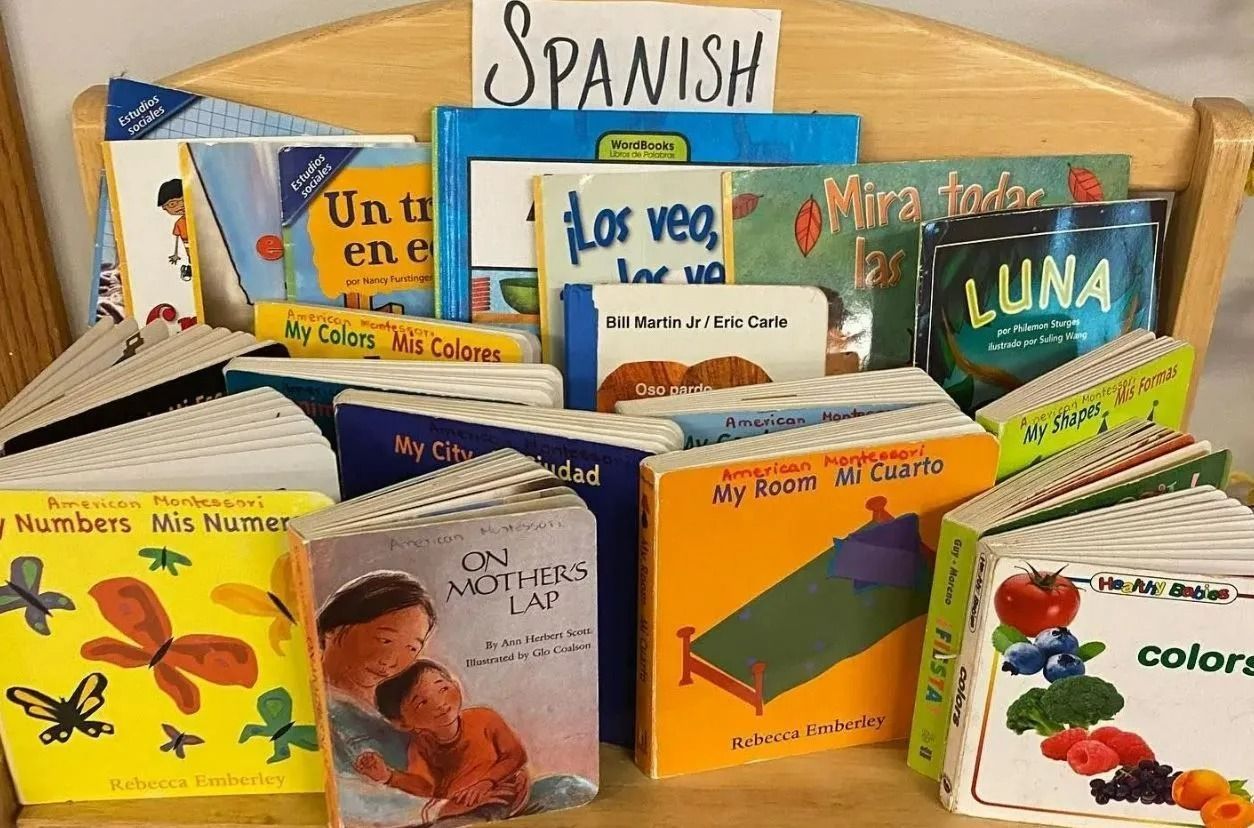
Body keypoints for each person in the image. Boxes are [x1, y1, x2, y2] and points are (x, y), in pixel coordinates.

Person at [354, 661, 529, 821]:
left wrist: (486, 782)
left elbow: (515, 755)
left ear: (455, 685)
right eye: (422, 703)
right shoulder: (420, 746)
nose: (439, 703)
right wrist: (388, 776)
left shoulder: (484, 718)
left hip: (494, 797)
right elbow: (425, 787)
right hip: (453, 807)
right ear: (402, 723)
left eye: (443, 689)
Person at [156, 179, 190, 278]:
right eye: (172, 204)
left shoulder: (195, 218)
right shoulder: (179, 223)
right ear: (165, 208)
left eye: (183, 200)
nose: (181, 205)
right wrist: (175, 254)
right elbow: (176, 239)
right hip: (188, 245)